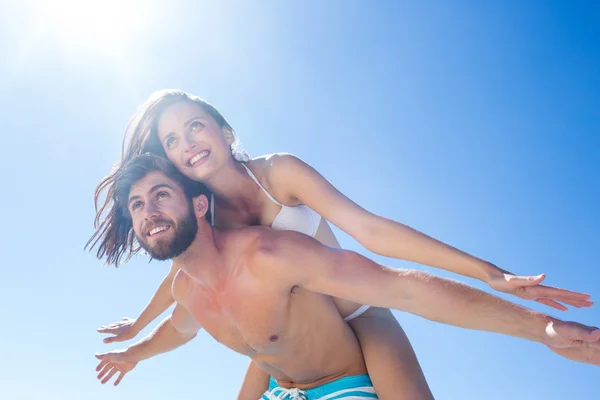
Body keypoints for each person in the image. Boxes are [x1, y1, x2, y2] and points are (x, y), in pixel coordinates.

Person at [91, 90, 592, 399]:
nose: (186, 144)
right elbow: (182, 280)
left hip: (358, 316)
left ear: (224, 131)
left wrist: (489, 273)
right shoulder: (203, 213)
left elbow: (371, 233)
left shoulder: (277, 174)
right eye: (172, 140)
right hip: (282, 337)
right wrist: (138, 329)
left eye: (194, 126)